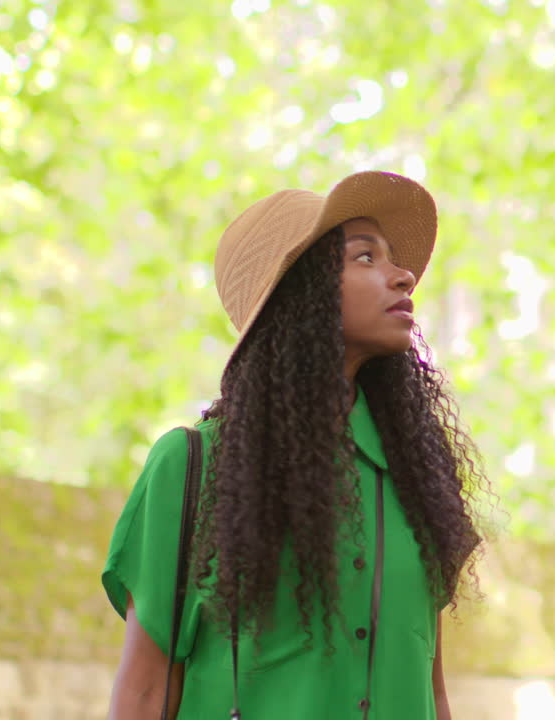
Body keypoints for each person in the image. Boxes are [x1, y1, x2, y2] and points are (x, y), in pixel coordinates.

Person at [102, 171, 488, 719]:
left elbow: (433, 692)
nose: (404, 276)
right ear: (299, 294)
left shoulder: (416, 479)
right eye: (365, 257)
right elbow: (145, 691)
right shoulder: (192, 468)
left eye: (392, 259)